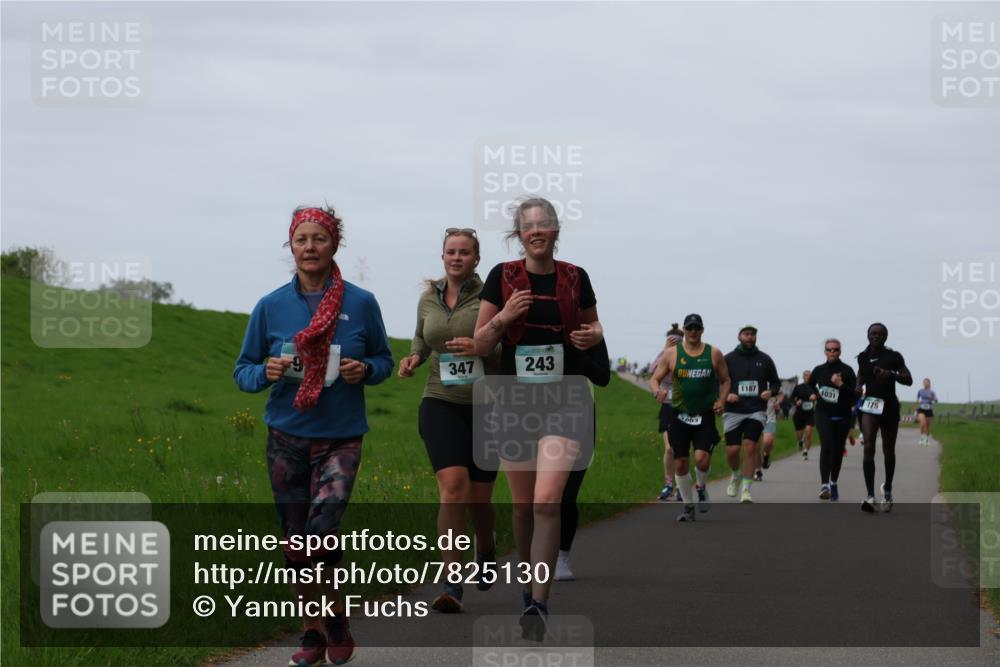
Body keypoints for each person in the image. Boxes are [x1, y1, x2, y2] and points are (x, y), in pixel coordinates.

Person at [234, 205, 393, 667]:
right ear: (292, 246)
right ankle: (311, 633)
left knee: (321, 533)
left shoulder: (361, 303)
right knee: (296, 541)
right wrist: (266, 370)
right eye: (301, 239)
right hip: (286, 435)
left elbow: (383, 360)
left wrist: (366, 369)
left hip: (340, 436)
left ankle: (336, 617)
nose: (309, 247)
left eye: (318, 239)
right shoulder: (270, 306)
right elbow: (242, 371)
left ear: (333, 244)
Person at [473, 197, 608, 640]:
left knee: (548, 499)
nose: (536, 231)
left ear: (555, 230)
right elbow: (479, 344)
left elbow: (595, 331)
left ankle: (539, 601)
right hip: (515, 402)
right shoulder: (502, 277)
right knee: (524, 506)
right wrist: (505, 317)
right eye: (528, 225)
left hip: (566, 399)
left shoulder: (575, 277)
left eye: (544, 224)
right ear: (518, 233)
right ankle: (527, 582)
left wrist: (594, 335)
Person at [398, 228, 499, 613]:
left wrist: (482, 346)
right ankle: (452, 581)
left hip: (487, 405)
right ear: (442, 257)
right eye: (450, 252)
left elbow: (505, 342)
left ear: (476, 258)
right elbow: (422, 338)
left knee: (480, 499)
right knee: (452, 486)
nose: (456, 258)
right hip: (439, 400)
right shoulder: (428, 299)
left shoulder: (491, 297)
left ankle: (486, 547)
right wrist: (413, 358)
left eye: (464, 252)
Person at [650, 313, 730, 521]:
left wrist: (721, 401)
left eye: (696, 328)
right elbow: (655, 378)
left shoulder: (714, 353)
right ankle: (687, 506)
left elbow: (726, 380)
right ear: (684, 331)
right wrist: (657, 391)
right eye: (689, 328)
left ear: (702, 330)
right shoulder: (671, 354)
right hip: (679, 415)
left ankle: (701, 487)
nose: (693, 332)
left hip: (704, 415)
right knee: (681, 463)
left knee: (702, 460)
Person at [856, 323, 913, 512]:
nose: (876, 336)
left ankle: (887, 489)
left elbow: (909, 379)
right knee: (869, 447)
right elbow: (860, 378)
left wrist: (892, 374)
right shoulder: (863, 357)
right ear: (867, 335)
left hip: (889, 407)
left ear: (886, 336)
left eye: (880, 334)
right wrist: (855, 390)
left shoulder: (894, 356)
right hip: (870, 407)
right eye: (873, 333)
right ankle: (870, 496)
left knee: (888, 451)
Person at [722, 325, 781, 504]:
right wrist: (726, 395)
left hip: (756, 411)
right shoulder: (728, 359)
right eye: (746, 334)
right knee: (732, 451)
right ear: (739, 337)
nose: (750, 337)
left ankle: (746, 490)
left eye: (753, 334)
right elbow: (718, 382)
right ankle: (735, 474)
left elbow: (776, 383)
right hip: (733, 411)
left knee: (750, 446)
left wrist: (771, 392)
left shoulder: (765, 359)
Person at [807, 339, 856, 503]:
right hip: (823, 414)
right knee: (826, 446)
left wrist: (840, 384)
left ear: (840, 351)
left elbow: (855, 396)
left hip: (842, 416)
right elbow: (809, 385)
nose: (832, 352)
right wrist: (812, 393)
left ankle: (833, 481)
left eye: (835, 349)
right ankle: (824, 485)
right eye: (829, 350)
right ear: (825, 351)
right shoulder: (819, 370)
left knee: (837, 451)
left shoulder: (847, 371)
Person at [654, 324, 684, 500]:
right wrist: (665, 350)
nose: (674, 344)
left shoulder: (688, 356)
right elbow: (652, 372)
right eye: (670, 341)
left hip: (686, 407)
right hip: (668, 406)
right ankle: (668, 485)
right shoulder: (664, 355)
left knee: (682, 449)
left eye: (677, 342)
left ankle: (682, 485)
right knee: (670, 449)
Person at [756, 391, 782, 481]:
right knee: (755, 445)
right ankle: (758, 471)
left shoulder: (772, 383)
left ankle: (766, 456)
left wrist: (778, 402)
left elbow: (781, 394)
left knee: (768, 442)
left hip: (769, 418)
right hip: (755, 417)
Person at [791, 371, 816, 460]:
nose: (807, 377)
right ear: (803, 377)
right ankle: (800, 441)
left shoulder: (814, 388)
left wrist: (815, 397)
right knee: (799, 434)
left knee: (809, 432)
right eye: (806, 375)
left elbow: (819, 397)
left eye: (809, 375)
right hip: (799, 414)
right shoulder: (798, 387)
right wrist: (796, 402)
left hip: (810, 413)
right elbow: (791, 398)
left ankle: (805, 452)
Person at [916, 378, 938, 446]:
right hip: (921, 409)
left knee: (927, 427)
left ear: (929, 383)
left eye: (926, 382)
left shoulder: (932, 392)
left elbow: (936, 400)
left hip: (929, 409)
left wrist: (932, 399)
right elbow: (917, 397)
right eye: (924, 382)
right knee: (923, 423)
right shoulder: (920, 391)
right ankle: (922, 439)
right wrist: (917, 400)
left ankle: (925, 439)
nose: (925, 384)